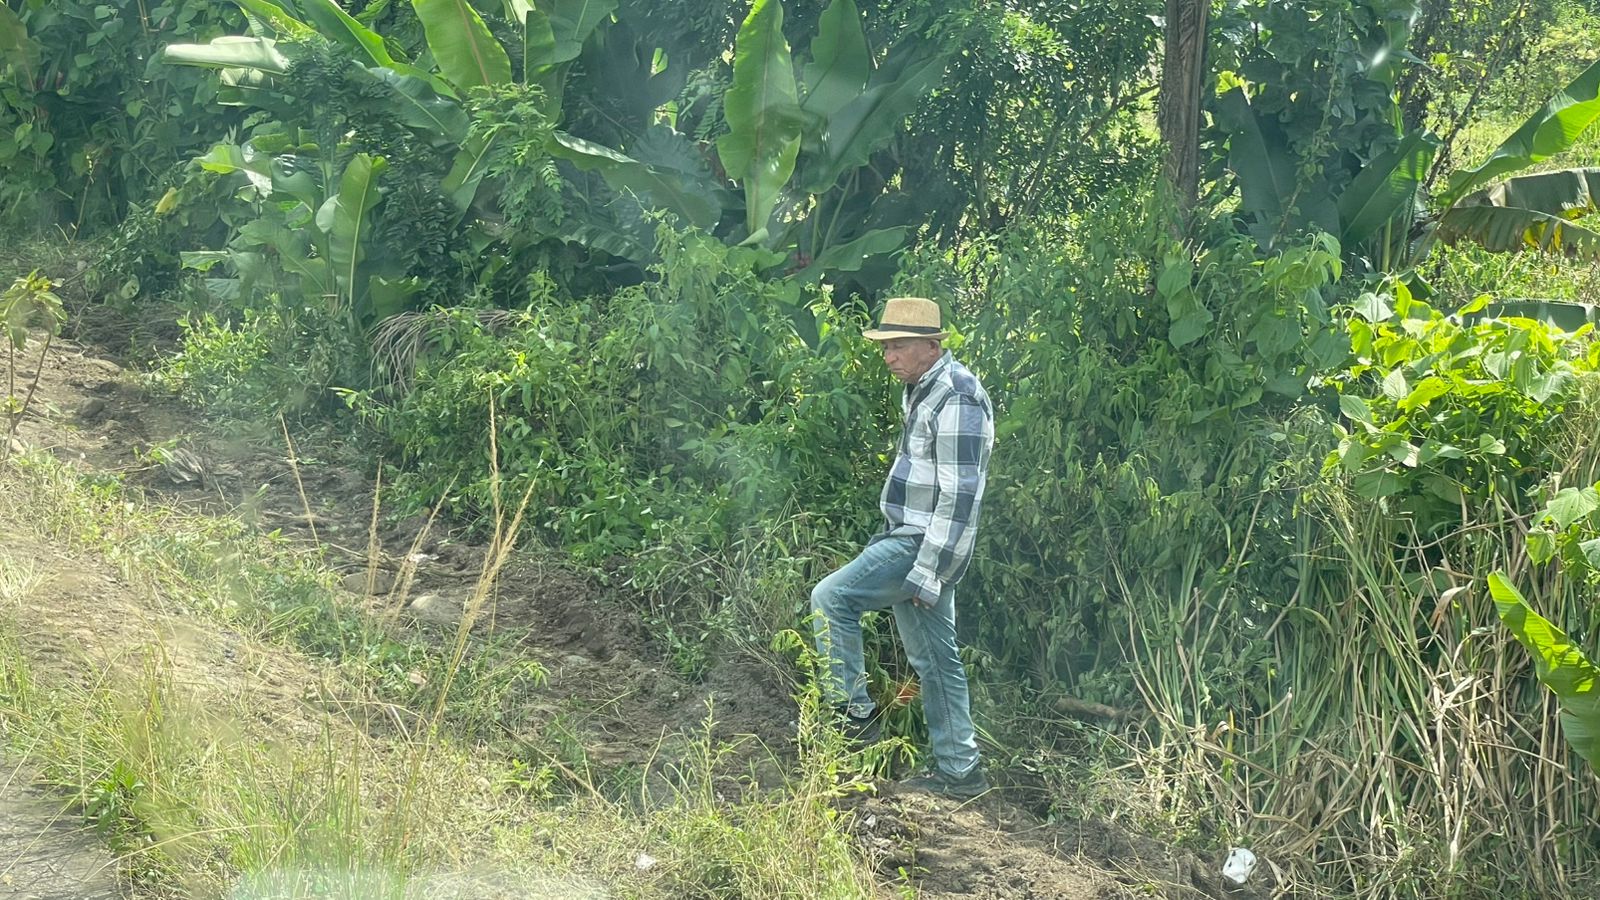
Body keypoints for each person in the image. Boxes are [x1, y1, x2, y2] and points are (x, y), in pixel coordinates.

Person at [809, 296, 995, 800]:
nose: (889, 356)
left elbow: (960, 495)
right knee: (936, 659)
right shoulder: (923, 389)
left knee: (832, 599)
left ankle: (853, 724)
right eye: (886, 347)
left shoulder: (957, 396)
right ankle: (961, 772)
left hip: (922, 543)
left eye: (898, 346)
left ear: (931, 346)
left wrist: (928, 571)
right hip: (915, 538)